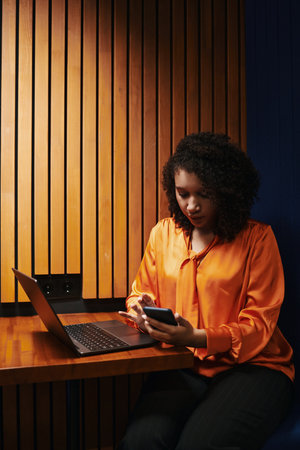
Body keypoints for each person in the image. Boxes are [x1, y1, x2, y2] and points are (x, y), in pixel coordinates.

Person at [118, 132, 294, 450]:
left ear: (227, 192)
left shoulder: (258, 239)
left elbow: (258, 325)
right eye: (182, 193)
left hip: (255, 369)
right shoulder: (162, 234)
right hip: (183, 365)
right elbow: (138, 293)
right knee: (140, 442)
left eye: (204, 194)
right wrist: (140, 313)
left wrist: (197, 337)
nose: (192, 205)